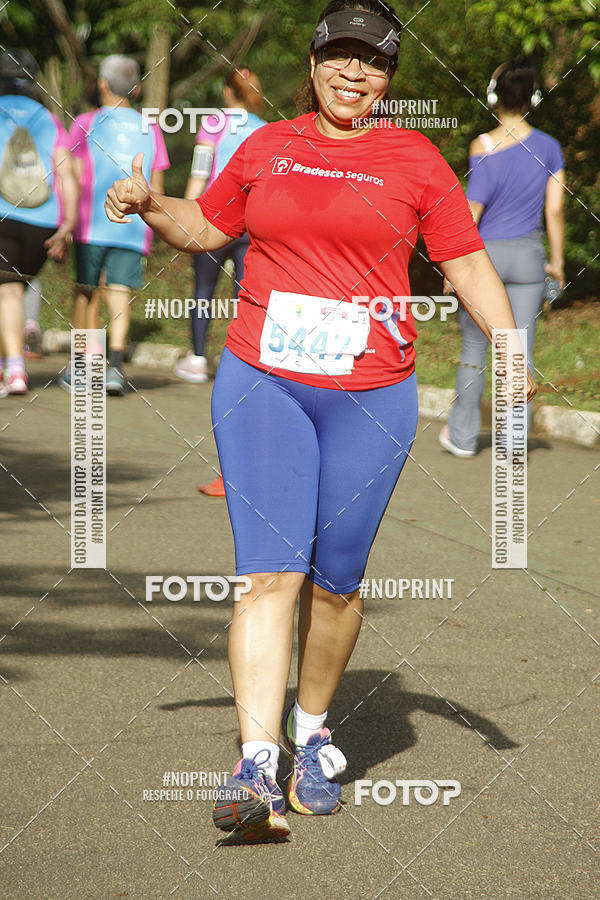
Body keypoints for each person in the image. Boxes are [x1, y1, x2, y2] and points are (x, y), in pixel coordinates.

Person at [105, 0, 536, 843]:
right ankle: (256, 765)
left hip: (372, 394)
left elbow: (465, 260)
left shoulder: (415, 159)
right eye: (337, 56)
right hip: (262, 379)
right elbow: (207, 228)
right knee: (270, 573)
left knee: (336, 584)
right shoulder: (266, 146)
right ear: (310, 64)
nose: (352, 72)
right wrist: (153, 205)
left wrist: (511, 347)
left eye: (370, 63)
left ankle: (312, 734)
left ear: (388, 80)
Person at [440, 61, 565, 457]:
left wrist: (452, 261)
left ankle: (461, 438)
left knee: (476, 352)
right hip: (529, 259)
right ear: (534, 99)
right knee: (518, 351)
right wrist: (557, 264)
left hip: (484, 260)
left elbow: (471, 209)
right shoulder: (550, 147)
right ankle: (513, 443)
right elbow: (556, 211)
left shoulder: (483, 145)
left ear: (494, 97)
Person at [177, 69, 266, 498]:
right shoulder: (267, 130)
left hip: (214, 218)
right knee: (245, 296)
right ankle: (241, 353)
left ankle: (197, 358)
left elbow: (201, 169)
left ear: (227, 91)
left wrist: (189, 214)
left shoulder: (213, 122)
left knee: (202, 291)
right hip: (252, 224)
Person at [60, 55, 169, 395]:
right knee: (120, 292)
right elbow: (158, 186)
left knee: (86, 290)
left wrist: (65, 221)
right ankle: (115, 368)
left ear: (102, 84)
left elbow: (71, 176)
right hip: (133, 225)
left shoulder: (85, 122)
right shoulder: (150, 127)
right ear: (135, 89)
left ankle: (84, 366)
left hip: (92, 222)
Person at [0, 50, 78, 395]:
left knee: (7, 294)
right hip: (42, 221)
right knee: (11, 292)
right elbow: (66, 172)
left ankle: (14, 370)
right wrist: (69, 223)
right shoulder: (49, 119)